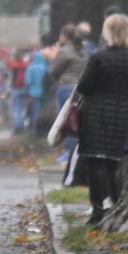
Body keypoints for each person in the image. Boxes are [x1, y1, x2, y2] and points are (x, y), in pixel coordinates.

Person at [76, 14, 128, 225]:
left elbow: (84, 86)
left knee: (95, 161)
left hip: (95, 114)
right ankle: (117, 204)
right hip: (119, 114)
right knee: (114, 162)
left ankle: (98, 210)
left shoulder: (99, 57)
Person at [47, 24, 90, 161]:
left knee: (67, 122)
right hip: (80, 88)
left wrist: (50, 59)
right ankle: (77, 153)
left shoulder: (64, 51)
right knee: (77, 121)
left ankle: (69, 153)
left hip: (66, 88)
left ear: (64, 36)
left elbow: (54, 72)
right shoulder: (83, 50)